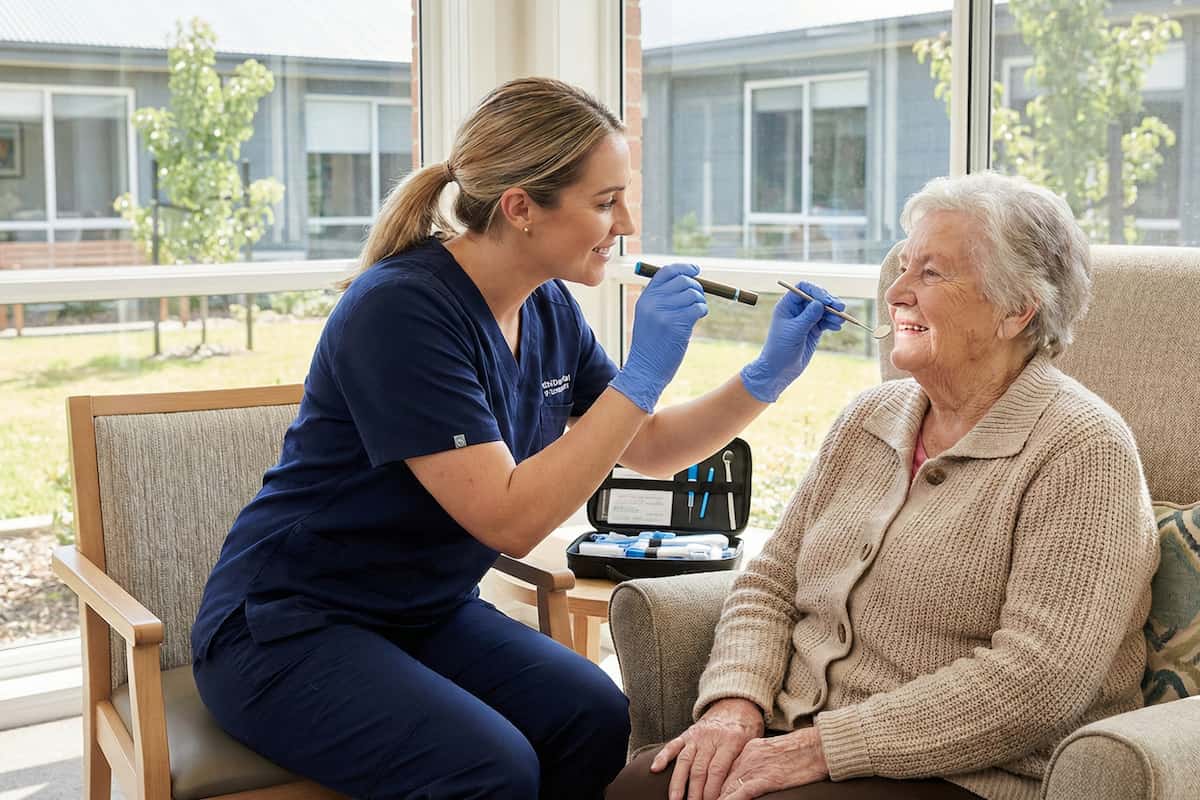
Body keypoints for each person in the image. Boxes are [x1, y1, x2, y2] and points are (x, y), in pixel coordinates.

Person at [190, 76, 844, 800]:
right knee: (485, 769)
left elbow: (651, 448)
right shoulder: (400, 312)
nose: (627, 221)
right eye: (605, 202)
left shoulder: (548, 307)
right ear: (521, 208)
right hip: (287, 629)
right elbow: (510, 516)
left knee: (596, 716)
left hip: (422, 611)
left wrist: (764, 376)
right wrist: (644, 374)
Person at [606, 172, 1160, 800]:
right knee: (640, 788)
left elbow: (1038, 679)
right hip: (802, 743)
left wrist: (822, 749)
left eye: (931, 273)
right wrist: (736, 704)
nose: (896, 291)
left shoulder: (1083, 449)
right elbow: (770, 582)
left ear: (1016, 311)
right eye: (903, 265)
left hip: (965, 776)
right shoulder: (870, 418)